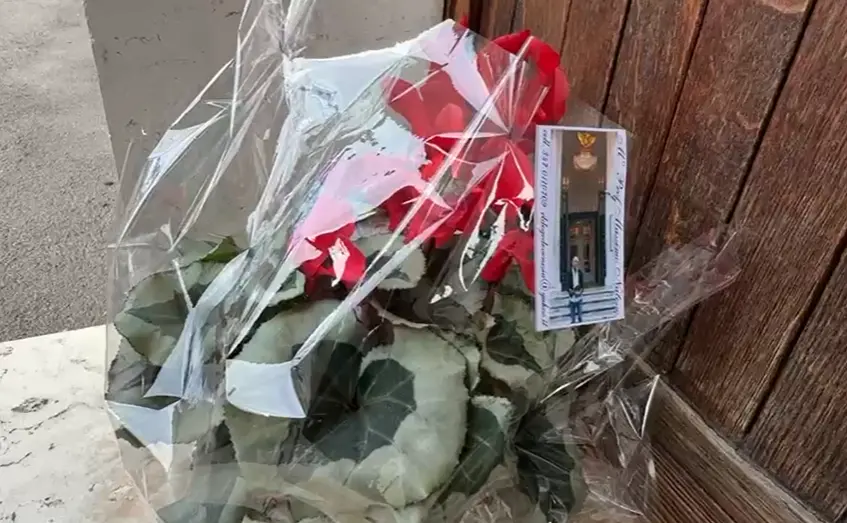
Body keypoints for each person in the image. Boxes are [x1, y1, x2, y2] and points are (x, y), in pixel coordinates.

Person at [567, 256, 584, 324]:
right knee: (572, 313)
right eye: (574, 261)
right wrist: (572, 292)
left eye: (577, 261)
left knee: (580, 313)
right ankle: (573, 322)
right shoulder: (569, 272)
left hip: (579, 295)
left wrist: (580, 292)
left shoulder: (580, 272)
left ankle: (580, 322)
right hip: (572, 295)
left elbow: (582, 285)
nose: (575, 263)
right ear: (572, 262)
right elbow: (567, 285)